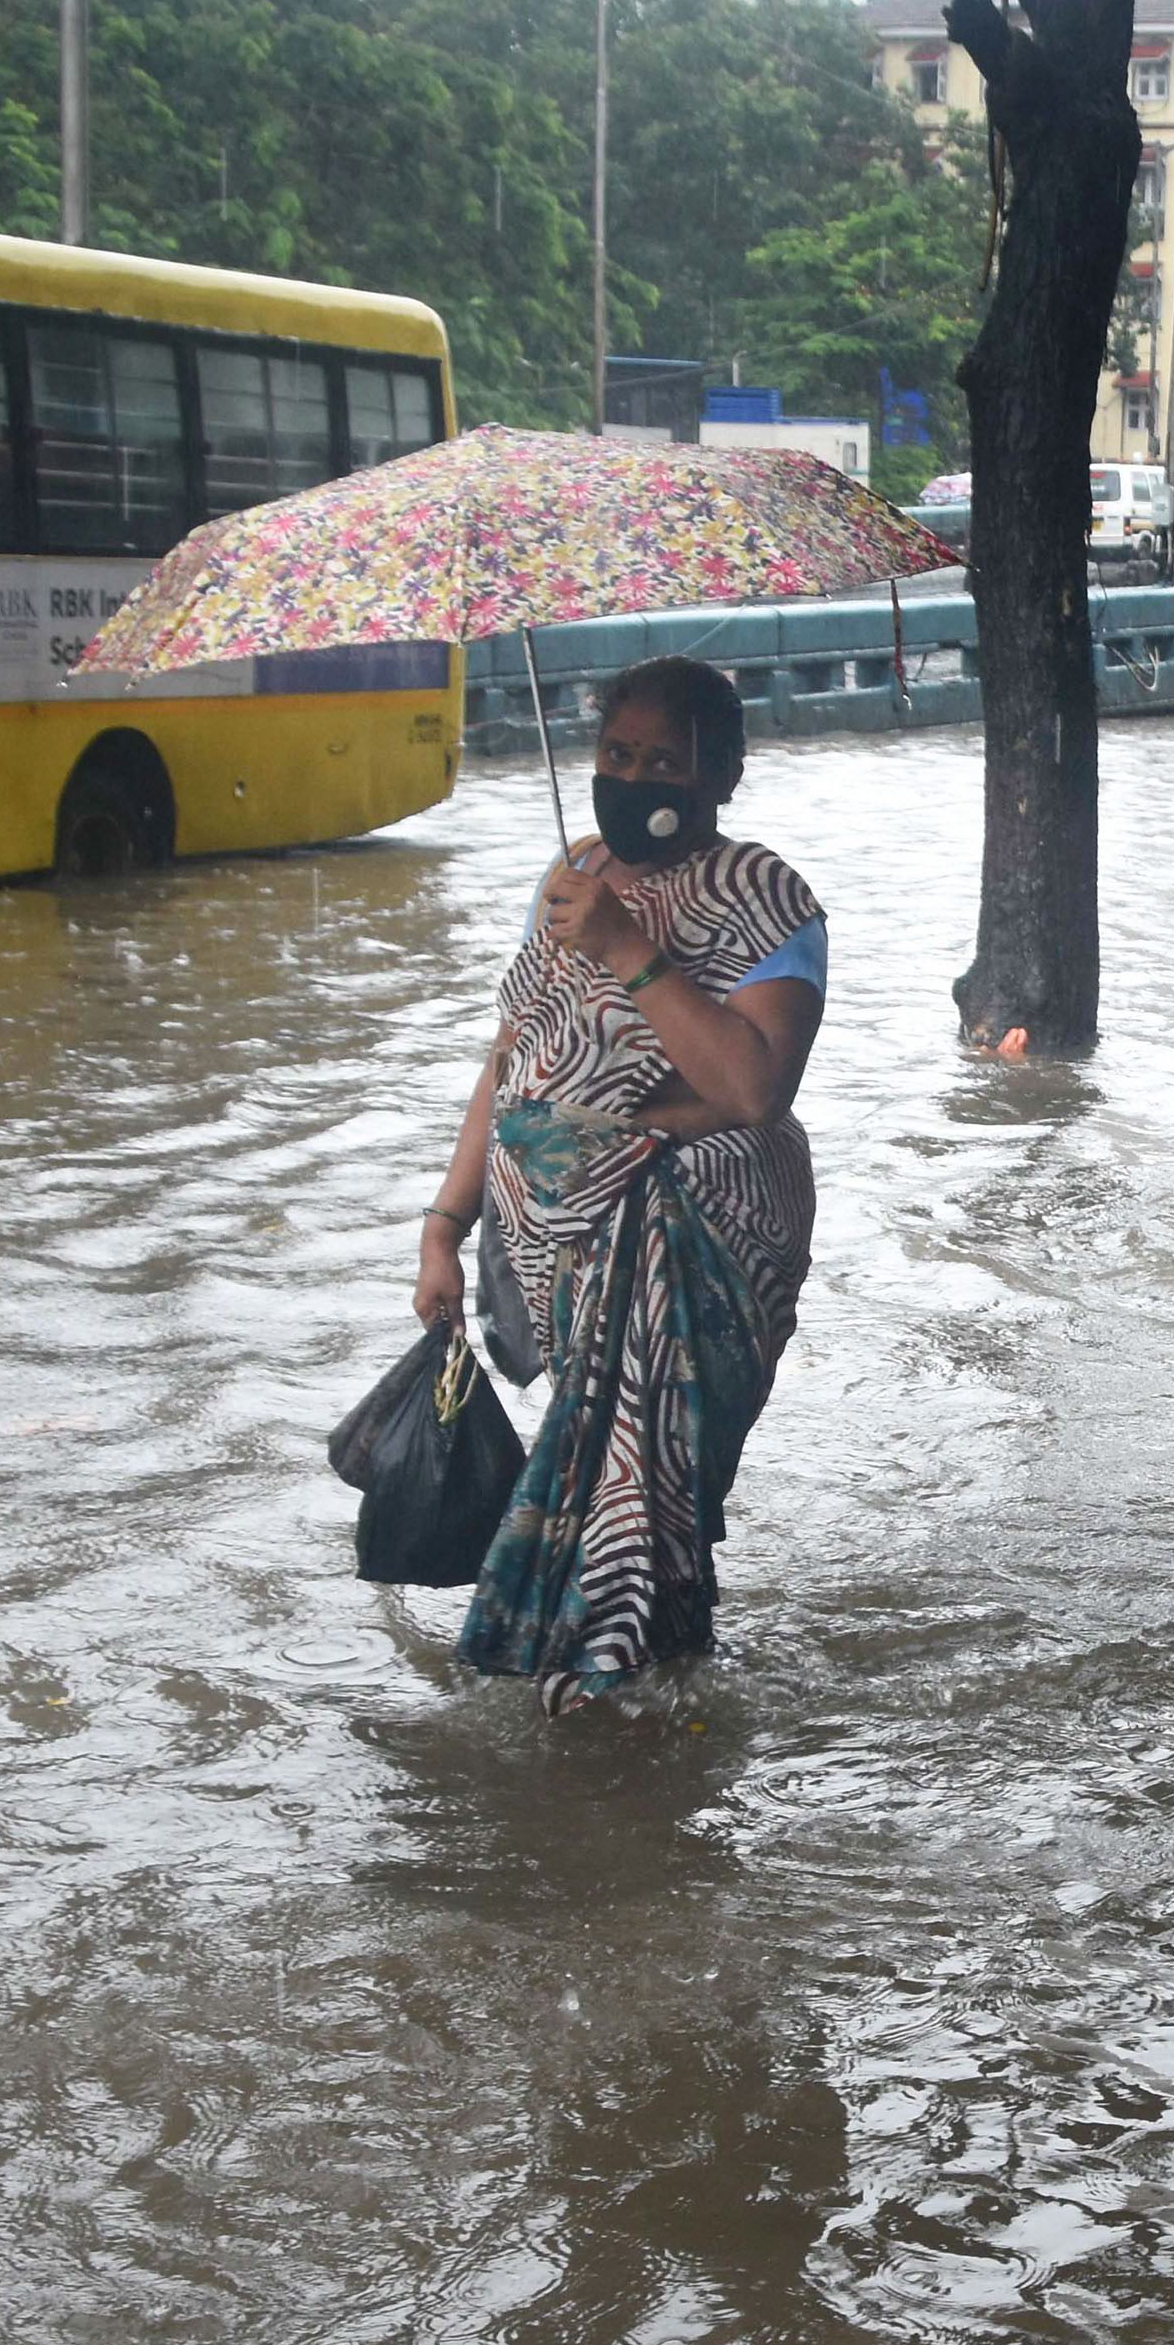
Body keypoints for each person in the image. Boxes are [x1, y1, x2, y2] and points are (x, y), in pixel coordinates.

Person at [408, 654, 825, 1712]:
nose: (635, 778)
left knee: (650, 1495)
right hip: (556, 1246)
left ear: (722, 773)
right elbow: (510, 1059)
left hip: (693, 1246)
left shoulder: (766, 897)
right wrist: (444, 1226)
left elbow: (749, 1088)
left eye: (664, 761)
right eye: (616, 755)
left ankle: (622, 1728)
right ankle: (646, 1722)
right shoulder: (574, 873)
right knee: (607, 1479)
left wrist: (628, 945)